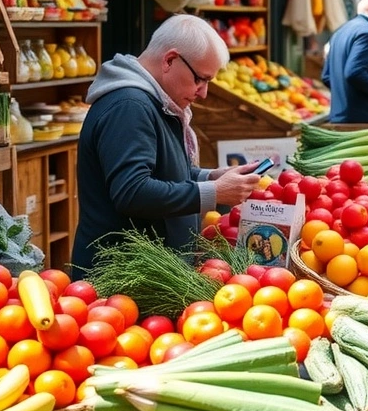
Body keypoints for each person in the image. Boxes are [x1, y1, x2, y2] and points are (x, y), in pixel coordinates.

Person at [71, 15, 262, 279]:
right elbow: (133, 191)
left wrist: (208, 176)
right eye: (200, 79)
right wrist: (214, 192)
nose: (203, 92)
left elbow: (163, 172)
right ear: (170, 60)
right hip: (121, 281)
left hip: (146, 275)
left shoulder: (156, 102)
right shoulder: (130, 107)